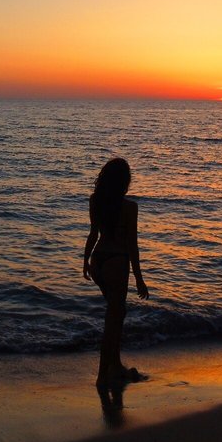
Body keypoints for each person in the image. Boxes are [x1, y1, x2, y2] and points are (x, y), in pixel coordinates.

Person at [83, 157, 149, 385]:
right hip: (117, 263)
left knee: (117, 313)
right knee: (113, 319)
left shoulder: (95, 201)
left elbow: (93, 234)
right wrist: (139, 279)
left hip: (98, 261)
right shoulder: (130, 208)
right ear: (124, 181)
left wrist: (85, 261)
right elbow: (132, 245)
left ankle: (116, 365)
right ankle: (103, 375)